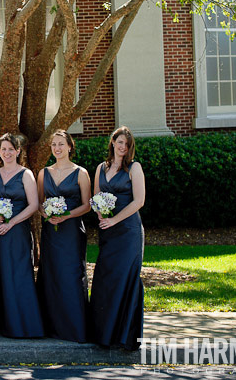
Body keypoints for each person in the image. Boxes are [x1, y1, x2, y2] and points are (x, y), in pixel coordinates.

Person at [89, 126, 146, 350]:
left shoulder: (134, 168)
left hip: (128, 231)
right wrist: (103, 216)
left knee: (125, 278)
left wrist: (115, 220)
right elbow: (96, 196)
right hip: (107, 230)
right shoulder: (101, 168)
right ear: (112, 142)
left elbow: (138, 201)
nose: (122, 147)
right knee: (105, 278)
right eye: (119, 142)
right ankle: (104, 333)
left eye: (126, 144)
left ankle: (125, 336)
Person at [0, 133, 44, 338]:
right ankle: (0, 321)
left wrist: (12, 222)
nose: (7, 153)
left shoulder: (25, 174)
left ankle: (23, 324)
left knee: (18, 272)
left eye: (11, 149)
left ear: (18, 151)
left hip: (17, 230)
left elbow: (33, 205)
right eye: (3, 149)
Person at [35, 129, 91, 343]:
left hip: (71, 232)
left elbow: (87, 205)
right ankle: (51, 326)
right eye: (54, 145)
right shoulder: (44, 173)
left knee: (71, 275)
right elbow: (39, 202)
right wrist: (47, 214)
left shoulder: (81, 173)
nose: (57, 149)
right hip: (51, 231)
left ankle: (74, 327)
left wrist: (66, 215)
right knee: (51, 274)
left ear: (69, 146)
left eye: (61, 144)